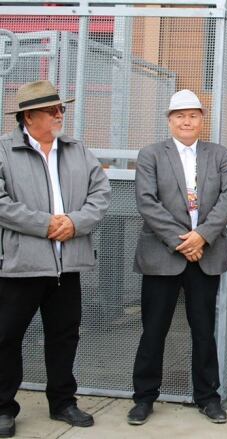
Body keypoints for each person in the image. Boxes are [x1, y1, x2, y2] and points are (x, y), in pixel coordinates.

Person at [0, 80, 111, 437]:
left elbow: (101, 193)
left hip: (69, 264)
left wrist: (75, 223)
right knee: (6, 337)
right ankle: (3, 408)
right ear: (28, 116)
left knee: (64, 336)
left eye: (61, 108)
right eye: (52, 110)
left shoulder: (77, 150)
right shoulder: (4, 151)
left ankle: (62, 402)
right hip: (21, 265)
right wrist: (45, 224)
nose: (60, 114)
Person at [128, 90, 227, 426]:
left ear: (202, 119)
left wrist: (202, 235)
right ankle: (144, 397)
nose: (186, 121)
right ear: (169, 120)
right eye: (179, 115)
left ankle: (208, 397)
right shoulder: (151, 155)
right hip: (163, 255)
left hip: (206, 253)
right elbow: (147, 203)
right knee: (153, 330)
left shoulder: (217, 154)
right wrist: (183, 242)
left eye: (193, 115)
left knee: (204, 330)